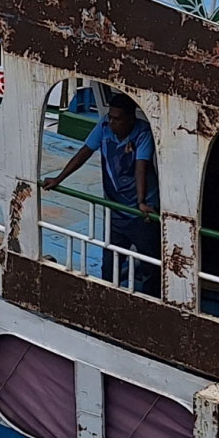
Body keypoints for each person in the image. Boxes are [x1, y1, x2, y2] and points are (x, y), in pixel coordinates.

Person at [40, 95, 160, 294]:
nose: (111, 122)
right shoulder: (104, 125)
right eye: (110, 117)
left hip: (140, 212)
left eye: (117, 119)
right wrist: (58, 179)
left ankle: (152, 302)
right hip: (115, 208)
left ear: (131, 119)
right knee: (110, 263)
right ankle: (108, 297)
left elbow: (141, 165)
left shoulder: (142, 133)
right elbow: (85, 152)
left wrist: (141, 201)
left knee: (150, 264)